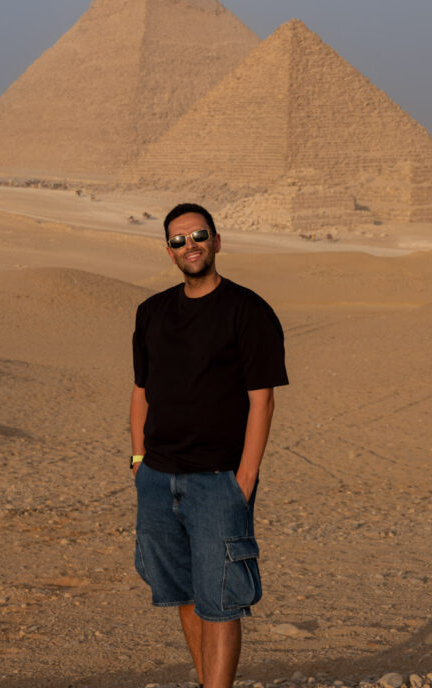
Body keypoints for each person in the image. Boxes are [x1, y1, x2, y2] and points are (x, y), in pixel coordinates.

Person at [130, 203, 288, 688]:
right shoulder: (152, 311)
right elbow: (141, 390)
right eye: (178, 240)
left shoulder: (249, 311)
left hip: (218, 480)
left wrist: (244, 481)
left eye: (198, 235)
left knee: (221, 600)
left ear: (217, 241)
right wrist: (139, 461)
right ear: (168, 251)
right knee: (182, 593)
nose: (189, 246)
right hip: (157, 477)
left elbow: (261, 402)